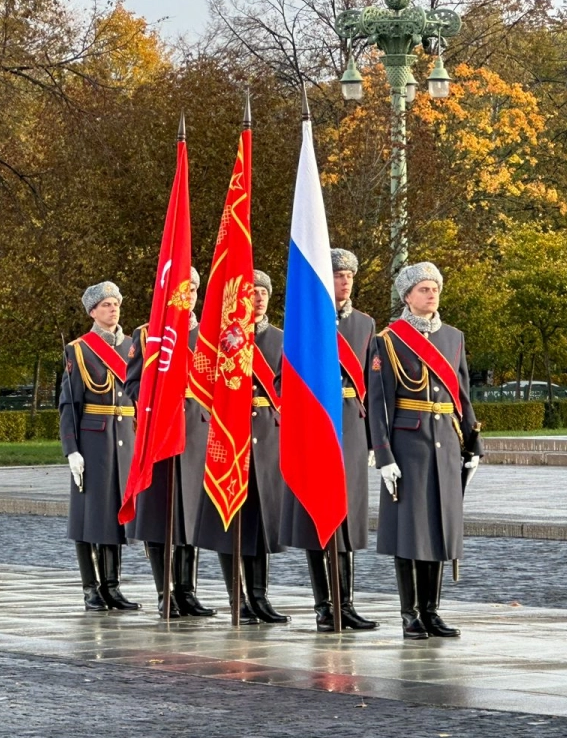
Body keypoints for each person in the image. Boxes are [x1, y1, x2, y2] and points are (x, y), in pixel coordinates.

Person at [368, 262, 483, 639]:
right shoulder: (387, 340)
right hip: (409, 444)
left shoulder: (453, 337)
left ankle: (433, 611)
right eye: (423, 289)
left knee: (438, 529)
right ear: (407, 296)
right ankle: (410, 614)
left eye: (435, 288)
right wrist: (383, 455)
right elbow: (380, 402)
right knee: (410, 531)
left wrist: (472, 441)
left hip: (446, 445)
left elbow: (462, 395)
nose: (431, 295)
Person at [280, 248, 378, 632]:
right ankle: (324, 604)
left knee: (348, 517)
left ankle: (347, 602)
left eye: (349, 275)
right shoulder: (303, 322)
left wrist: (371, 440)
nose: (345, 281)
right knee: (317, 514)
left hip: (351, 426)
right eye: (338, 275)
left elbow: (373, 387)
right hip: (315, 425)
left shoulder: (366, 324)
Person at [194, 269, 289, 624]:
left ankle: (260, 596)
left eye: (264, 292)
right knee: (229, 520)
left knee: (261, 522)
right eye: (253, 292)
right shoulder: (223, 338)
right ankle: (238, 596)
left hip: (266, 436)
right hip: (228, 436)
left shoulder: (281, 338)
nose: (260, 298)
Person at [125, 267, 216, 618]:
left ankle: (187, 591)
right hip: (162, 433)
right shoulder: (149, 334)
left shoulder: (207, 334)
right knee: (159, 515)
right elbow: (132, 384)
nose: (190, 294)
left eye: (194, 289)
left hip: (196, 433)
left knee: (191, 515)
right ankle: (165, 591)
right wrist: (159, 397)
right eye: (184, 288)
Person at [59, 281, 141, 612]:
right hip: (93, 440)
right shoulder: (79, 349)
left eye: (116, 303)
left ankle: (112, 586)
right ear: (93, 311)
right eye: (106, 304)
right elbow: (68, 404)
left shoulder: (134, 346)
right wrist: (71, 450)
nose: (113, 309)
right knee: (88, 516)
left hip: (126, 439)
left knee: (115, 516)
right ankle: (90, 588)